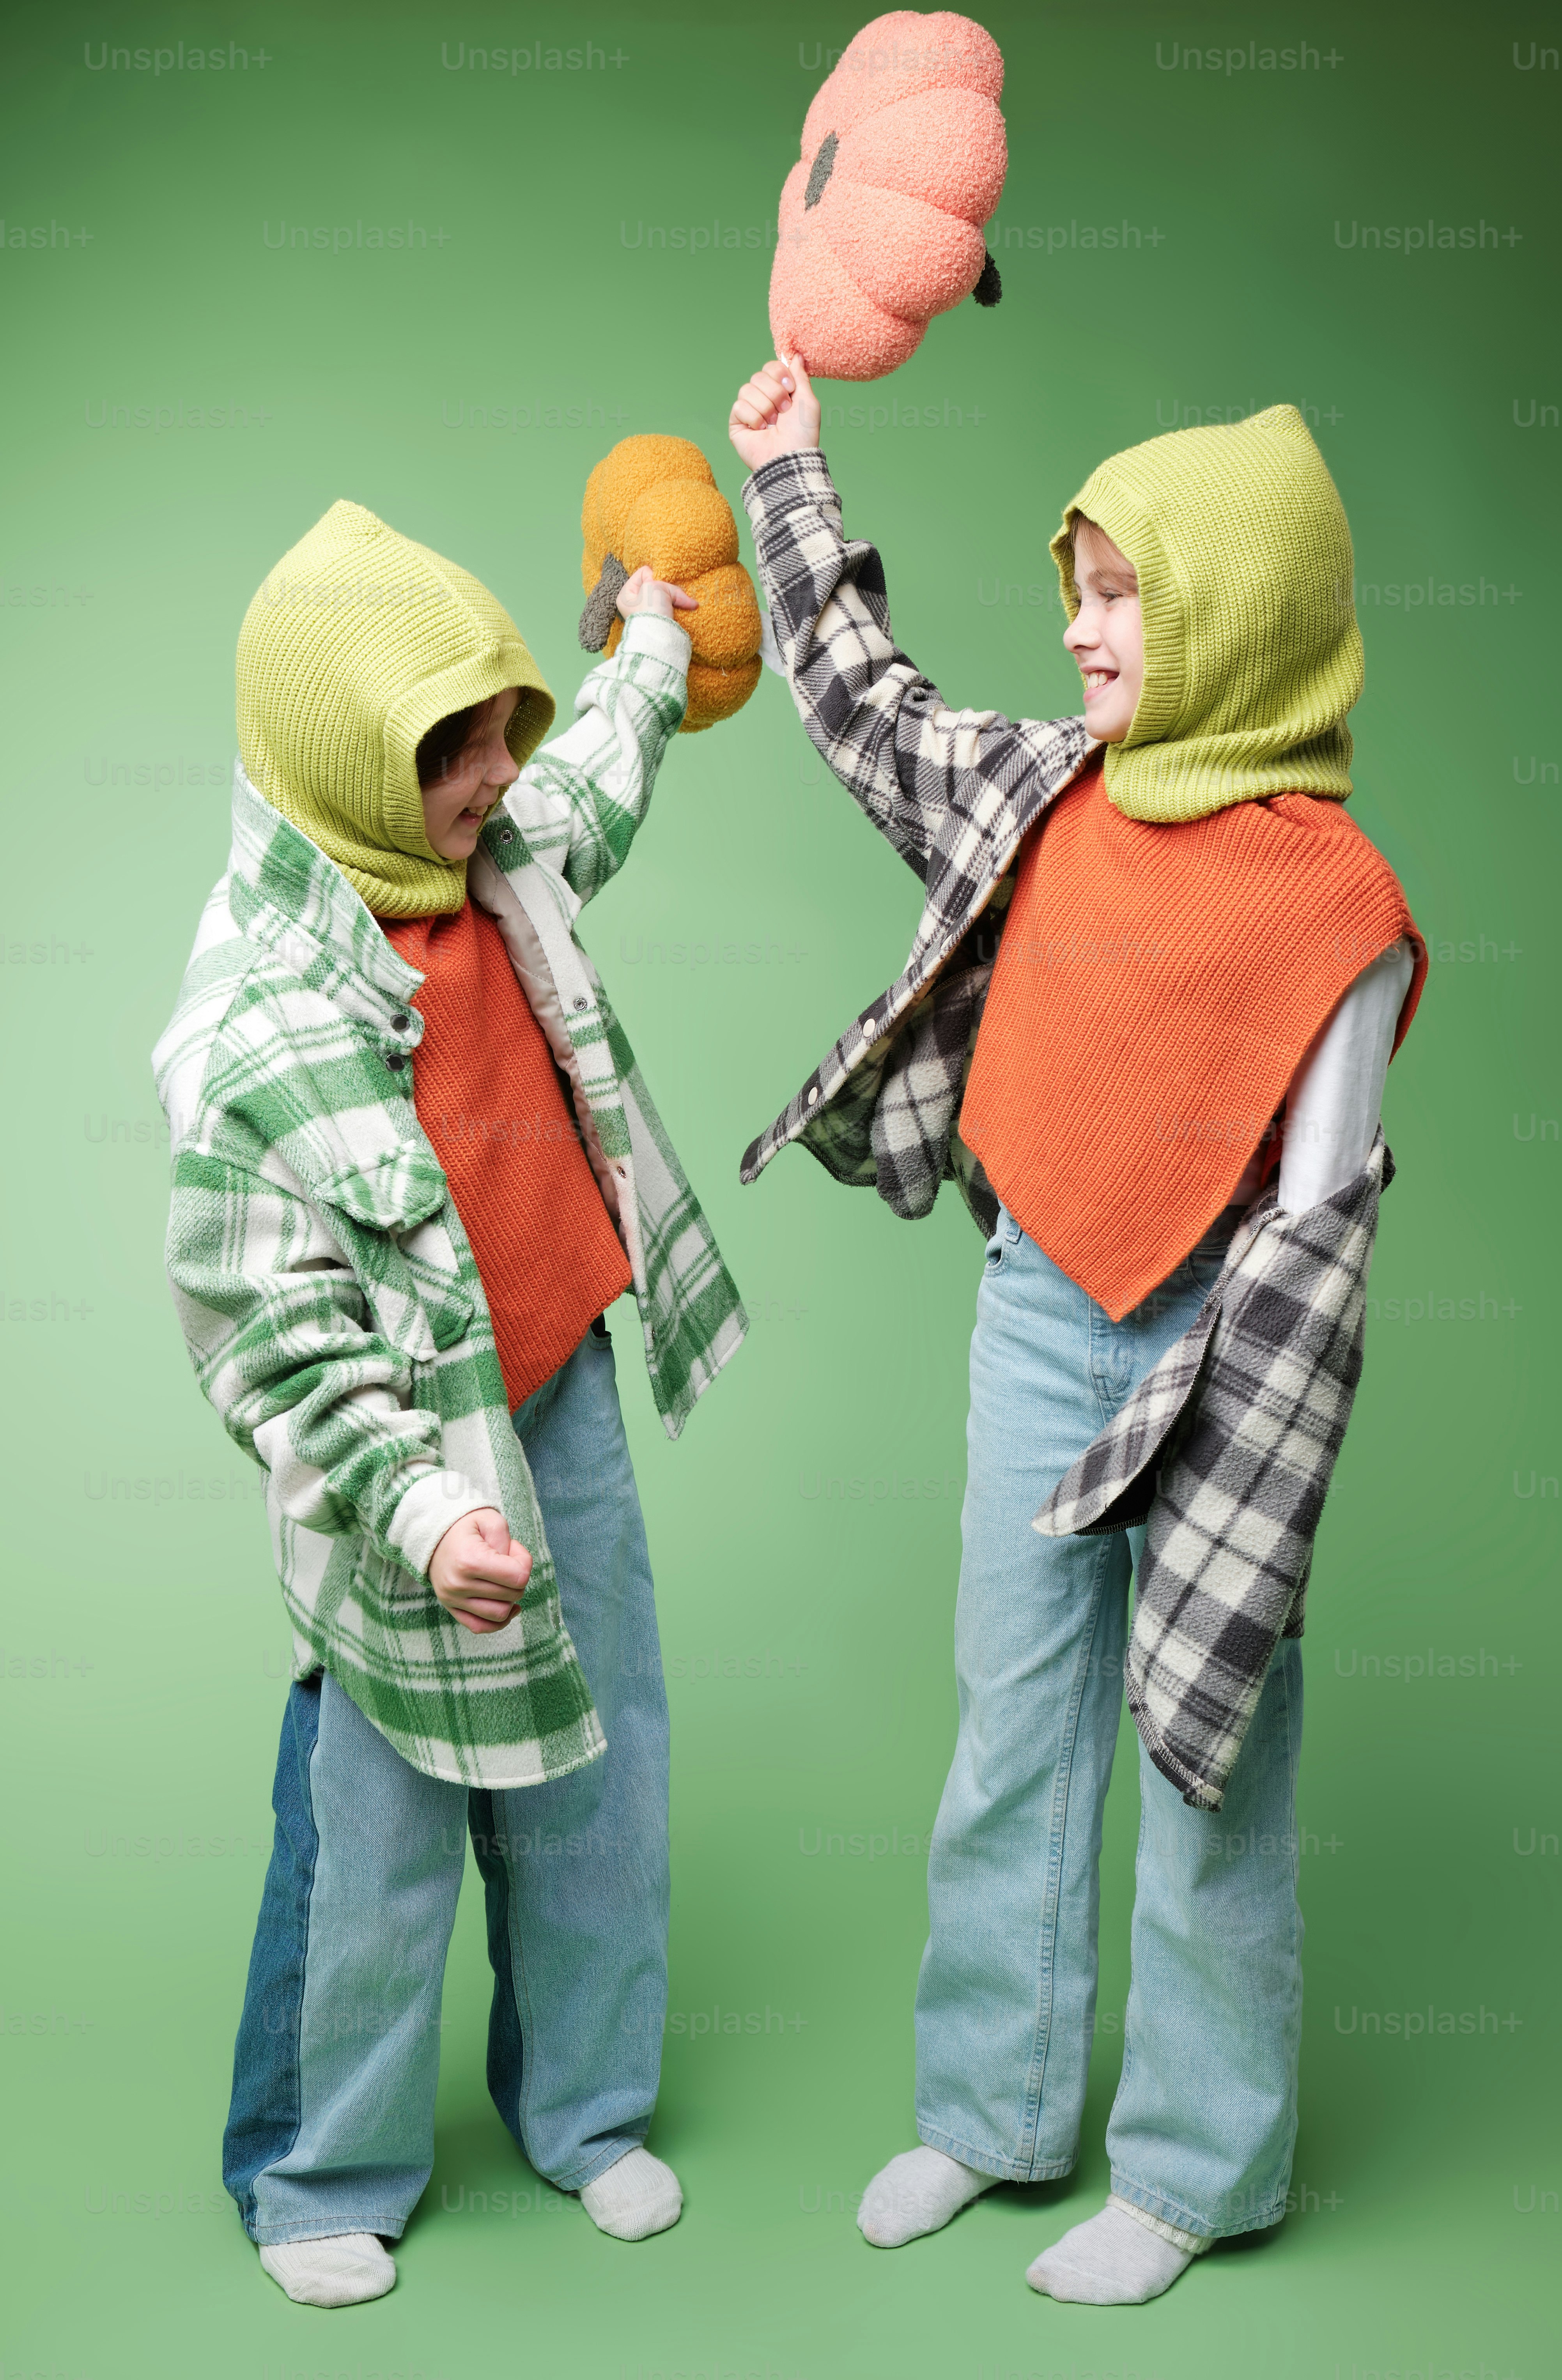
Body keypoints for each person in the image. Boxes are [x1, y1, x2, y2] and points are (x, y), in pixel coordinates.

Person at [728, 361, 1423, 2304]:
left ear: (1235, 620)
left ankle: (1193, 2175)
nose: (1077, 626)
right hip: (1039, 1312)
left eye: (1120, 596)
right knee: (1011, 1729)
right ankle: (990, 2113)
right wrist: (785, 467)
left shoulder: (1338, 904)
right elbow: (869, 712)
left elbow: (1322, 1231)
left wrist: (1233, 1476)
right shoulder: (1048, 790)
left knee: (1207, 1757)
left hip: (1231, 1356)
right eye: (1078, 588)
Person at [154, 498, 745, 2307]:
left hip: (554, 1381)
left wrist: (646, 643)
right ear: (346, 765)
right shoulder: (249, 1031)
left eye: (505, 720)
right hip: (403, 1467)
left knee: (605, 1762)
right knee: (384, 1819)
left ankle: (586, 2112)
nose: (503, 768)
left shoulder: (493, 853)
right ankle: (322, 2168)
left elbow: (604, 777)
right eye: (455, 745)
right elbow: (272, 1337)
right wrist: (421, 1508)